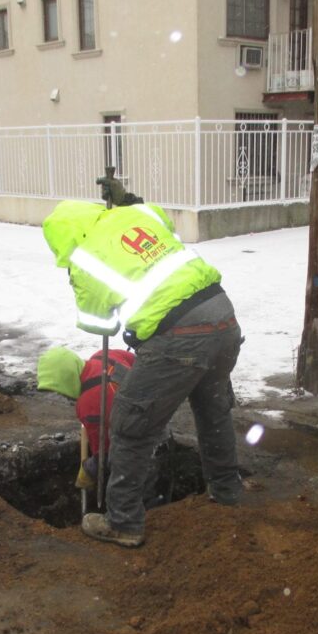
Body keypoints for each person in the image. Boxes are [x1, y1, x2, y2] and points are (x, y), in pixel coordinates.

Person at [42, 179, 243, 548]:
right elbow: (162, 221)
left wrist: (89, 282)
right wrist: (127, 206)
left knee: (130, 426)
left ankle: (122, 522)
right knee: (213, 412)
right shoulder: (137, 214)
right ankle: (227, 492)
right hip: (224, 318)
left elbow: (100, 324)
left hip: (178, 336)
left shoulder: (83, 259)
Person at [36, 345, 135, 479]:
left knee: (120, 492)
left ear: (66, 379)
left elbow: (104, 456)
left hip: (141, 436)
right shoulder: (104, 355)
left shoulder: (89, 405)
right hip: (158, 405)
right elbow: (137, 362)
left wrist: (89, 470)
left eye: (58, 388)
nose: (60, 394)